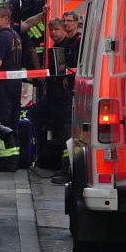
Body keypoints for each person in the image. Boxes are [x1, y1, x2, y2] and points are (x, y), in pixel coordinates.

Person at [27, 18, 78, 182]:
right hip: (52, 96)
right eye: (51, 30)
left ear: (64, 30)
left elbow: (74, 68)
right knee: (32, 116)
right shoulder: (56, 47)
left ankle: (66, 169)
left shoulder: (72, 45)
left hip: (65, 97)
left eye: (56, 29)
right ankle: (34, 155)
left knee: (65, 132)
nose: (53, 33)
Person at [0, 4, 23, 172]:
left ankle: (7, 161)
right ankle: (14, 158)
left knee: (2, 122)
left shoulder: (0, 37)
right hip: (14, 84)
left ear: (6, 18)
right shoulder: (15, 35)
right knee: (13, 121)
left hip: (3, 86)